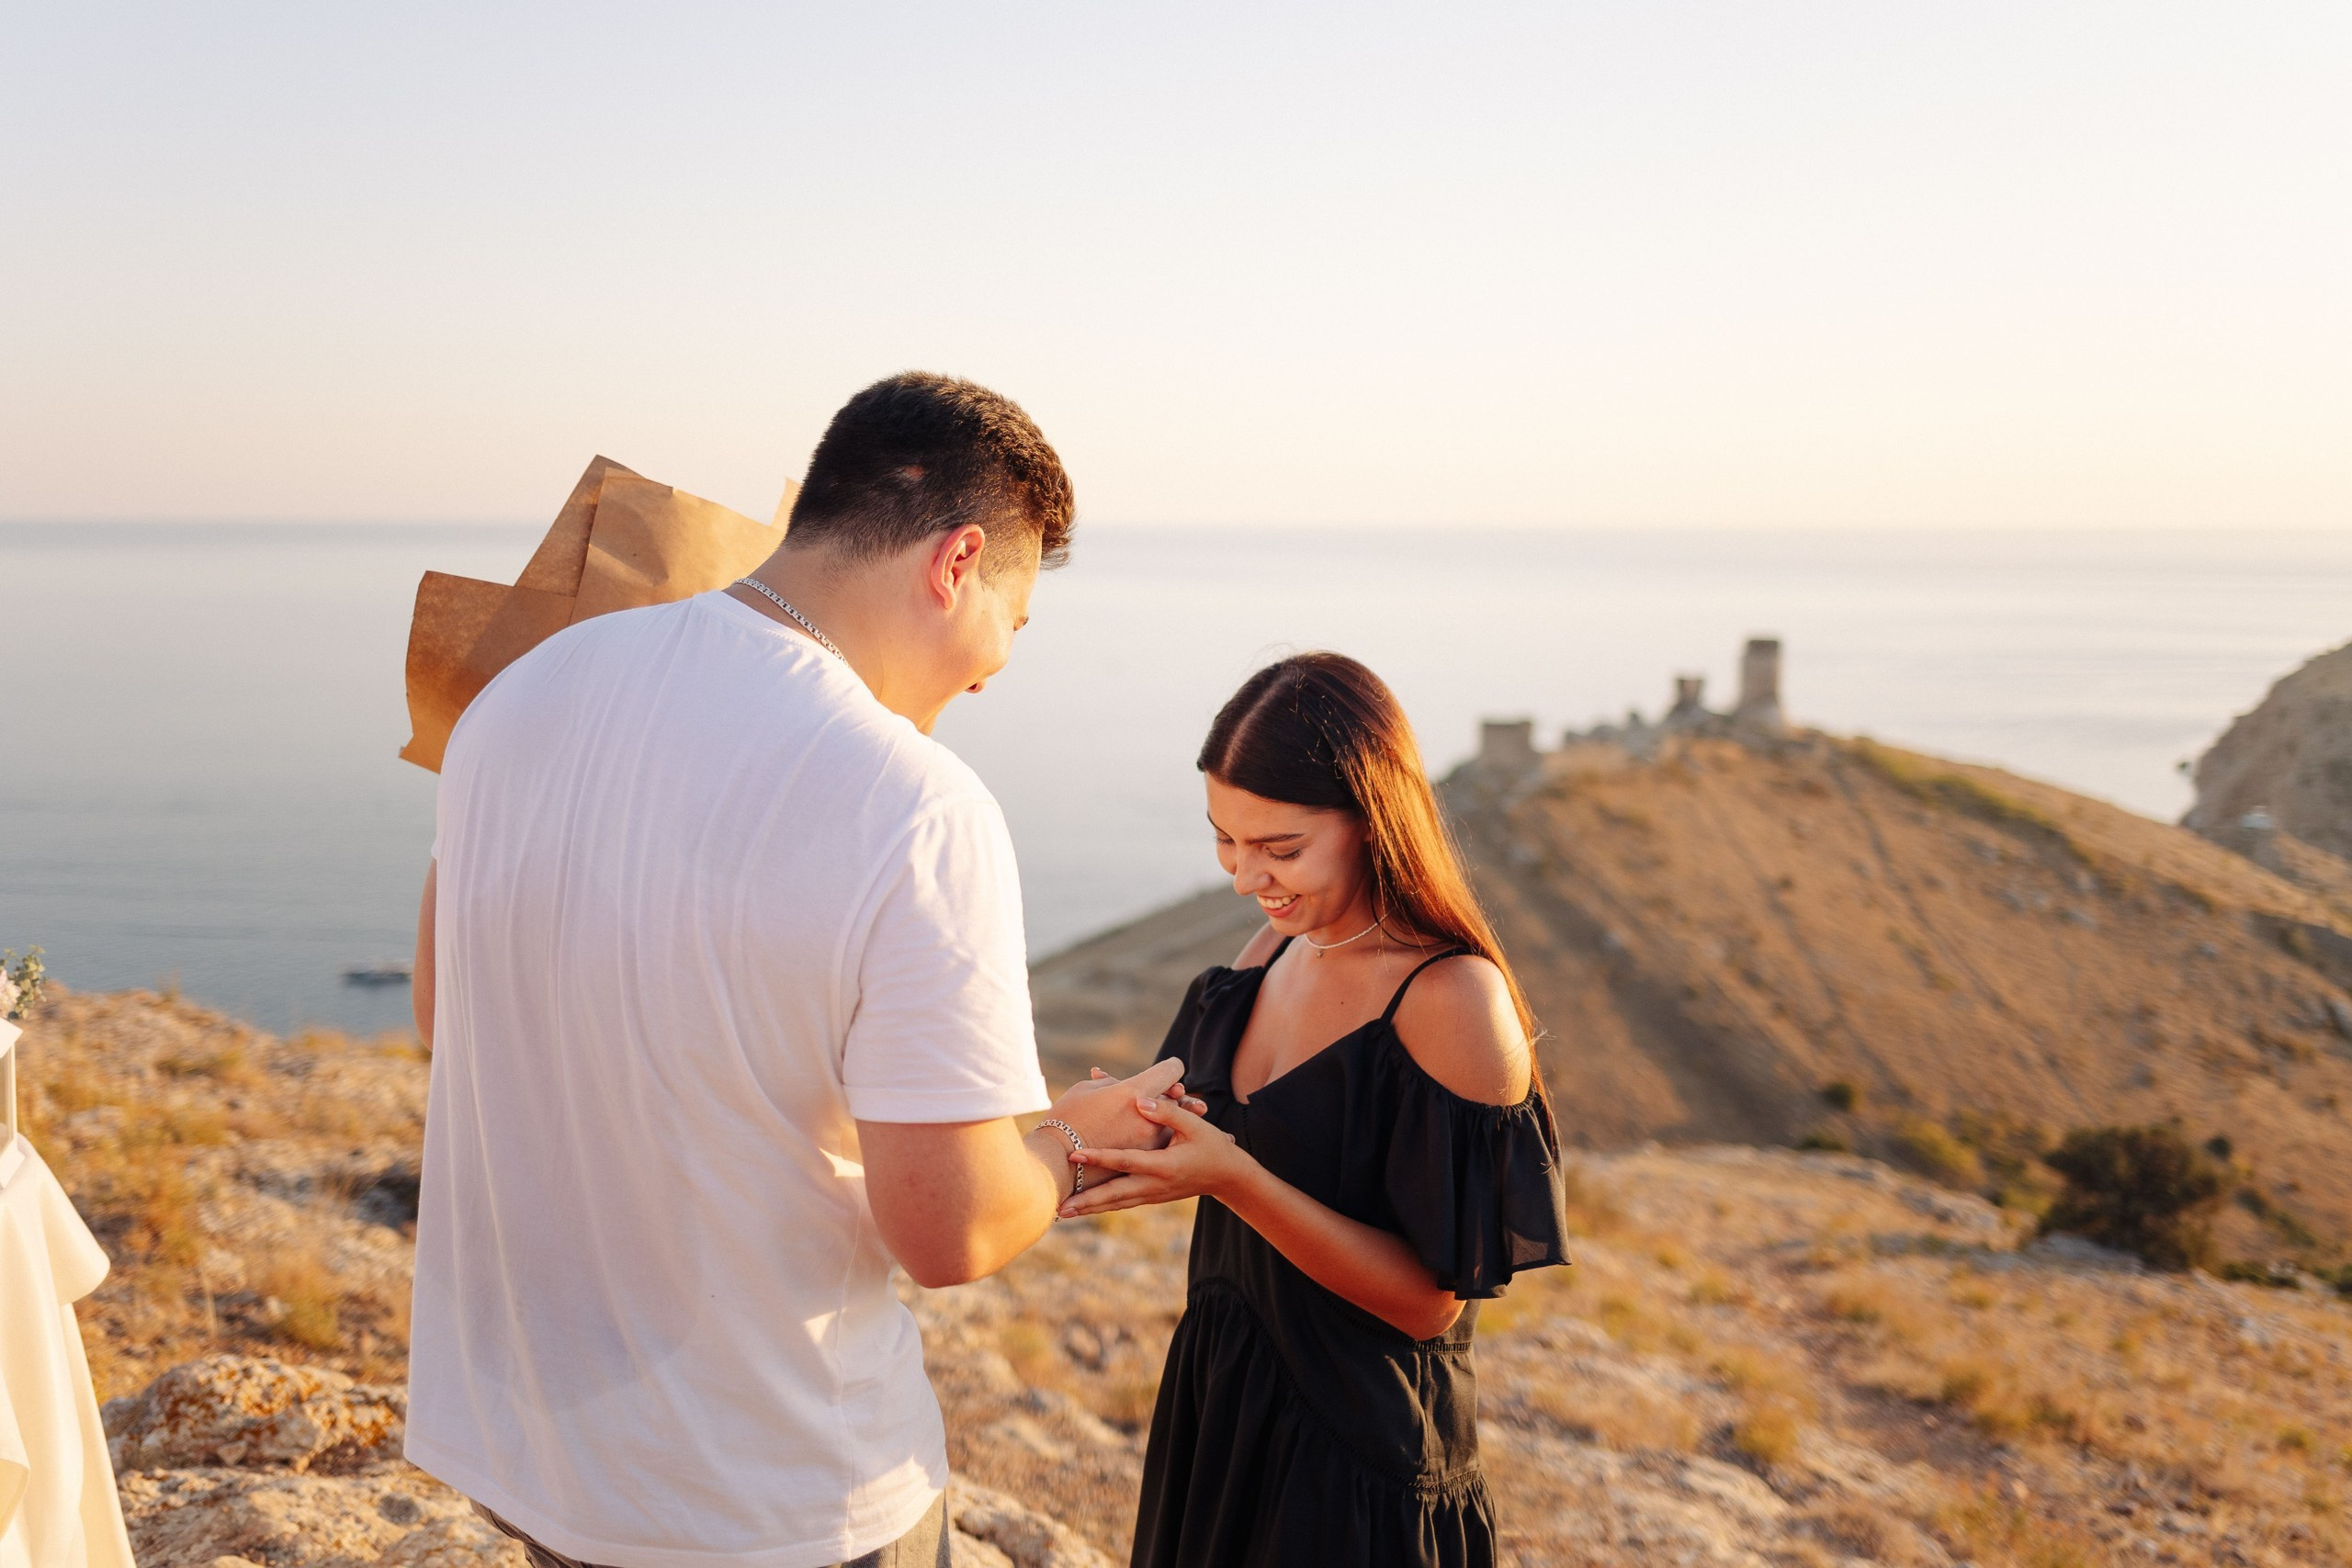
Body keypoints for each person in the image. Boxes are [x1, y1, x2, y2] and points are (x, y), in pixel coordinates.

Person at [404, 373, 1193, 1568]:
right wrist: (1074, 1141)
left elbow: (439, 1012)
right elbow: (949, 1228)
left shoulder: (518, 692)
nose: (993, 672)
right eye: (1015, 621)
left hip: (533, 1455)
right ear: (957, 561)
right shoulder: (915, 803)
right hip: (775, 1491)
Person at [1057, 652, 1570, 1568]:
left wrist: (1233, 1179)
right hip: (1223, 1415)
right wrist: (1117, 1125)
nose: (1244, 876)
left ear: (1373, 818)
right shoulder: (1269, 951)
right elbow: (1206, 1131)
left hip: (1354, 1463)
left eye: (1280, 848)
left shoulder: (1450, 996)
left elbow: (1428, 1306)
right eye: (1225, 839)